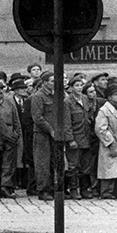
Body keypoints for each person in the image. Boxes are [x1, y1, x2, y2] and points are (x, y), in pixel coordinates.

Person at [30, 71, 70, 201]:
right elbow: (37, 117)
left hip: (57, 133)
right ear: (45, 82)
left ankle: (55, 188)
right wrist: (50, 130)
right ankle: (43, 190)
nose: (55, 84)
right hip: (42, 134)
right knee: (43, 163)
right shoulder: (38, 96)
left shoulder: (58, 96)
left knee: (56, 162)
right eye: (52, 81)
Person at [94, 84, 117, 199]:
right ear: (109, 97)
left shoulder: (116, 108)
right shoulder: (104, 110)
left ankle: (116, 190)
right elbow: (100, 128)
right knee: (108, 167)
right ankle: (106, 191)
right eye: (116, 95)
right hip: (109, 142)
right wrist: (110, 141)